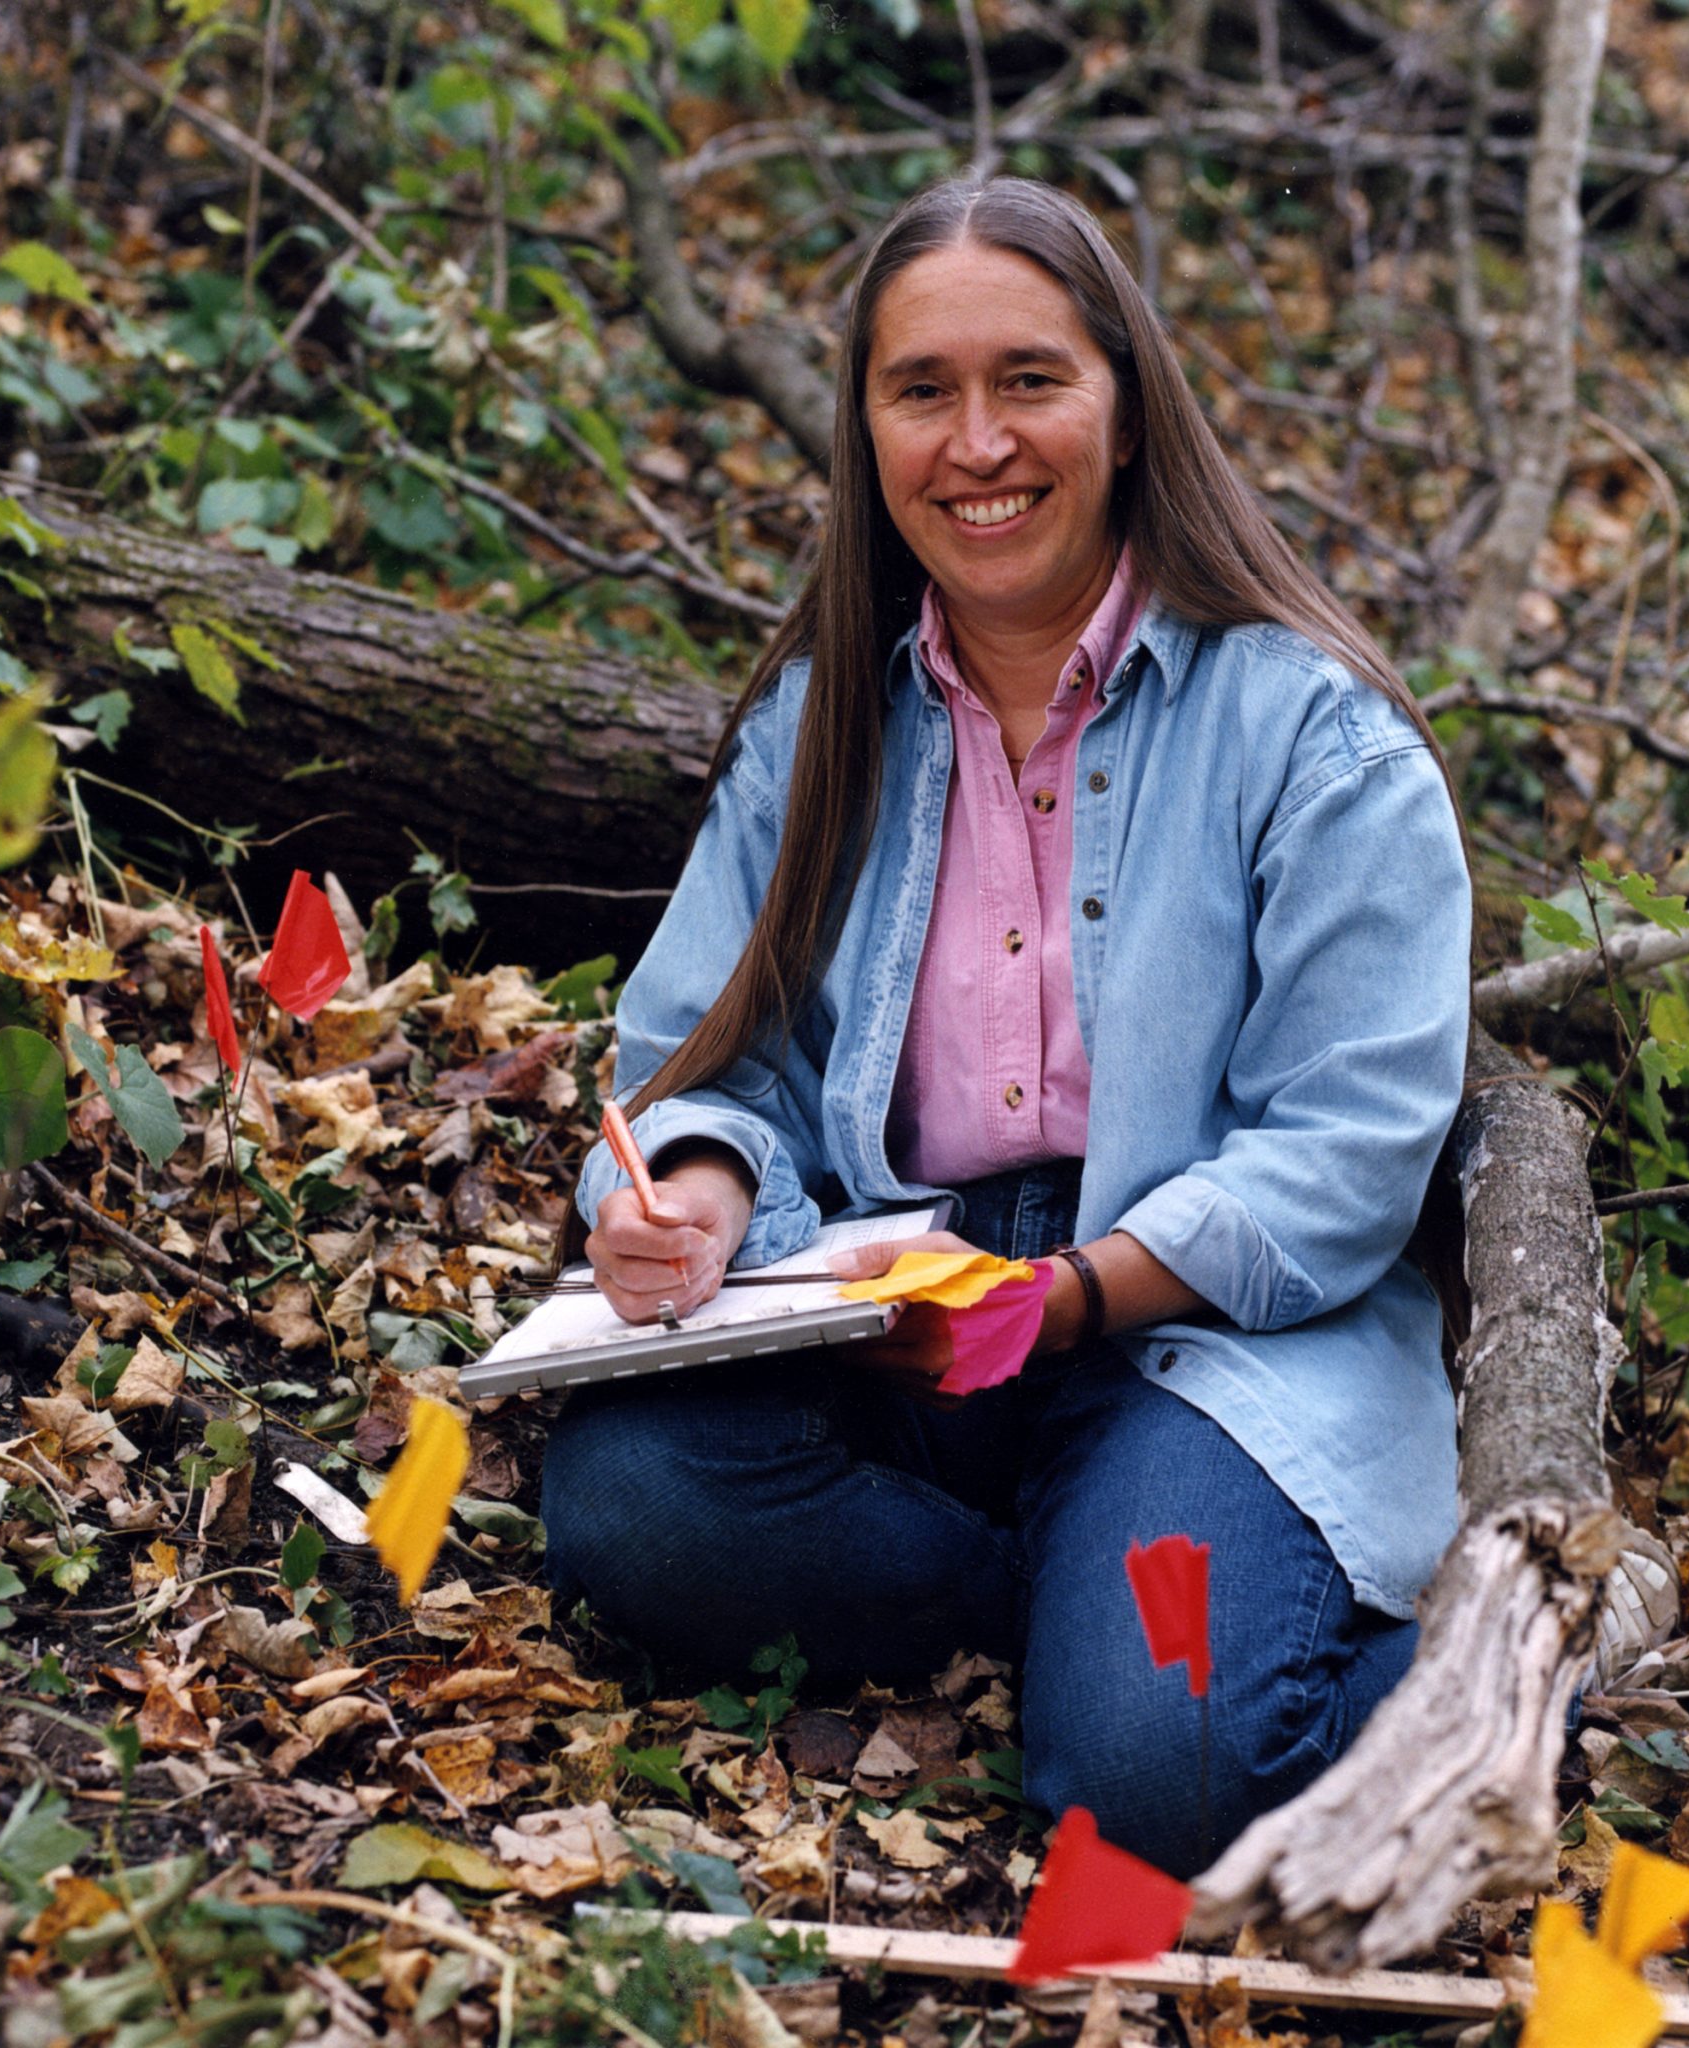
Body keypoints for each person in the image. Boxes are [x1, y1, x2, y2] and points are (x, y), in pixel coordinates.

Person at [539, 175, 1473, 1878]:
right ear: (868, 429)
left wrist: (1070, 1304)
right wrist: (693, 1193)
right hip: (902, 1318)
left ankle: (1416, 1680)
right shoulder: (828, 718)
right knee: (628, 1501)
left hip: (1202, 1346)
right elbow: (698, 1052)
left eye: (1030, 380)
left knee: (1156, 1778)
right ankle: (1068, 1599)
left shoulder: (1312, 738)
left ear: (1125, 406)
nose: (978, 443)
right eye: (924, 391)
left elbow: (1350, 1155)